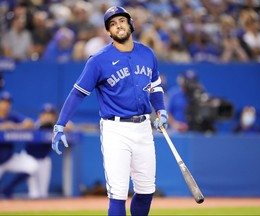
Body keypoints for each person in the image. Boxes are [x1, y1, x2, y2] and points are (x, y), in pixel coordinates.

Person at [51, 6, 168, 216]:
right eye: (112, 24)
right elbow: (77, 93)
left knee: (146, 191)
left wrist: (161, 110)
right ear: (108, 32)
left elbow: (155, 87)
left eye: (121, 21)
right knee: (118, 194)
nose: (118, 26)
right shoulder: (98, 60)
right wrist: (60, 124)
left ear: (130, 24)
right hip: (115, 130)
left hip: (143, 128)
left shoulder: (147, 53)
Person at [0, 91, 38, 198]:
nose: (5, 105)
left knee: (32, 165)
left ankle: (8, 187)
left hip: (9, 158)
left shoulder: (13, 117)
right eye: (3, 102)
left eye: (8, 102)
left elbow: (30, 123)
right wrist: (3, 126)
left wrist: (16, 127)